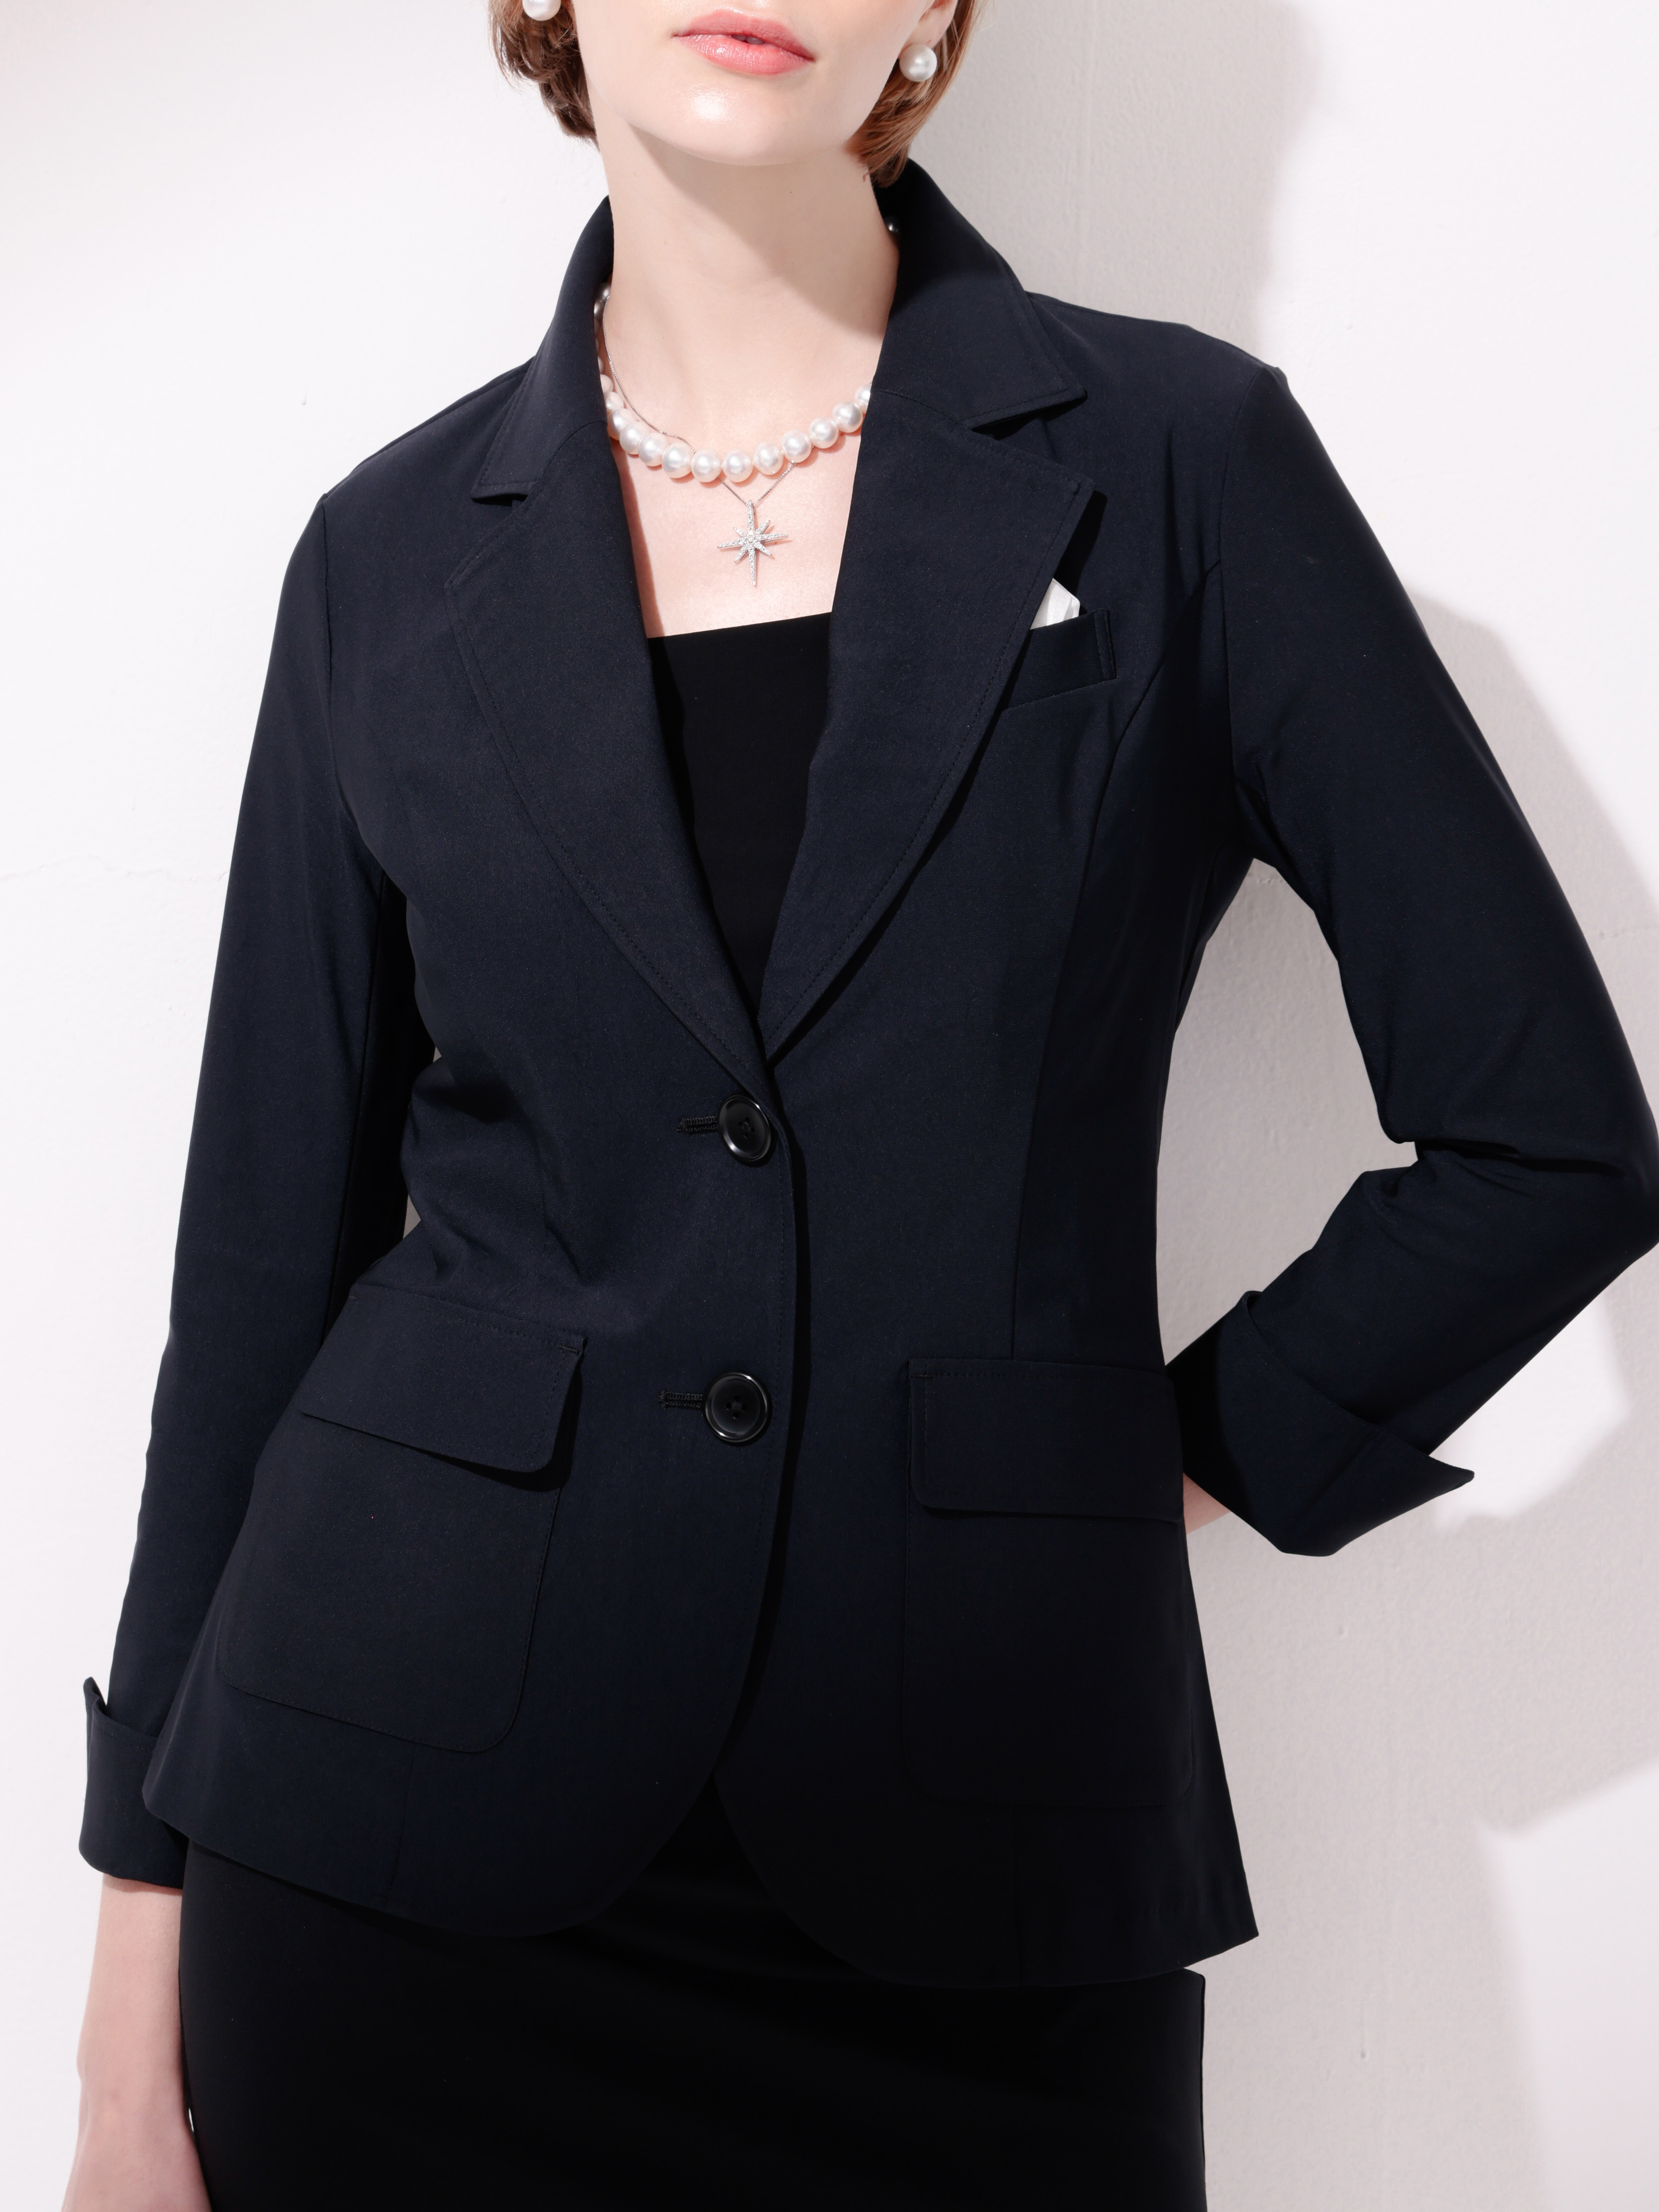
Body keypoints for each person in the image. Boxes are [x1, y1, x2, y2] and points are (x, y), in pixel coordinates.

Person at [63, 3, 1659, 2207]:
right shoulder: (388, 552)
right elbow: (256, 1282)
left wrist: (1145, 1465)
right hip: (391, 1846)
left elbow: (1549, 1139)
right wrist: (123, 2015)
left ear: (933, 8)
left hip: (981, 1859)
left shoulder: (1179, 459)